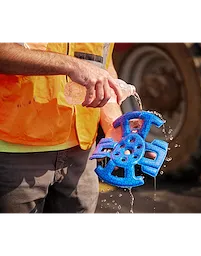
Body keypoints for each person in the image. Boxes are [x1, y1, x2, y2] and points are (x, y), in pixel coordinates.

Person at [0, 40, 132, 216]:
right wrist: (71, 65)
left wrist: (113, 122)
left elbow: (103, 64)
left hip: (82, 154)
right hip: (14, 150)